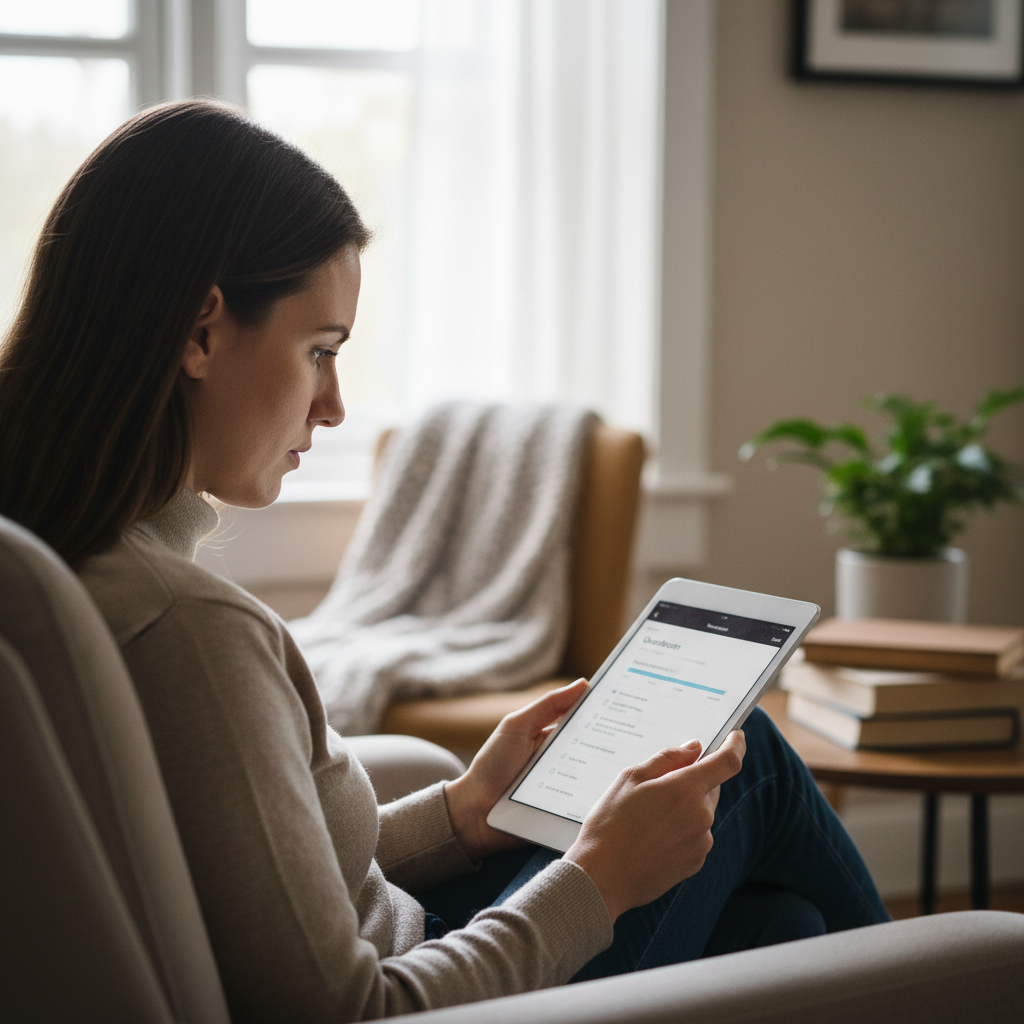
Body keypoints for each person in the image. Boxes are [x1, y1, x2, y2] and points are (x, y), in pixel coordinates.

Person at [0, 100, 888, 1023]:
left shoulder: (59, 560)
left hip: (416, 941)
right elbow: (350, 1008)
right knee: (751, 765)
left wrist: (467, 812)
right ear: (200, 331)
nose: (333, 405)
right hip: (436, 999)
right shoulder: (191, 632)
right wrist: (595, 879)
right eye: (319, 351)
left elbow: (257, 892)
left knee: (775, 923)